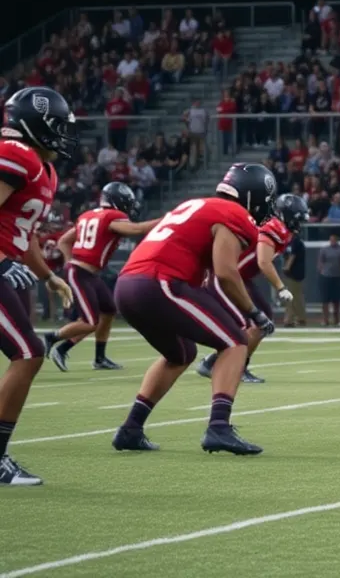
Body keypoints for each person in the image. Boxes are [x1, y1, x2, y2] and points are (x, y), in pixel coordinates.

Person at [111, 162, 277, 455]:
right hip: (157, 282)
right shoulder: (235, 213)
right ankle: (219, 427)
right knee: (235, 341)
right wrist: (254, 312)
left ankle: (131, 428)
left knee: (180, 354)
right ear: (252, 194)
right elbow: (226, 272)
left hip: (126, 285)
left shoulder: (195, 204)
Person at [0, 87, 77, 485]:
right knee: (29, 351)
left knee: (28, 352)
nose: (63, 135)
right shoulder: (16, 154)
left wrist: (49, 276)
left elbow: (23, 232)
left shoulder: (40, 167)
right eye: (57, 127)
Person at [43, 182, 158, 372]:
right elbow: (138, 230)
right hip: (81, 273)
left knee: (108, 310)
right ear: (116, 201)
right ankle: (52, 338)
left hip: (88, 273)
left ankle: (97, 357)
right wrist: (169, 218)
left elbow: (64, 241)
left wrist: (68, 262)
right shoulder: (113, 216)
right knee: (89, 322)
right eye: (126, 203)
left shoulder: (88, 215)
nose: (128, 207)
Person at [198, 192, 309, 383]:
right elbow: (263, 262)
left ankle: (215, 363)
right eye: (297, 219)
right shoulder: (275, 227)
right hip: (228, 278)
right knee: (256, 323)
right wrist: (280, 287)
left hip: (239, 278)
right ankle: (230, 368)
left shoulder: (282, 229)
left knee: (261, 322)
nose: (299, 224)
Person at [281, 221, 307, 327]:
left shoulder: (295, 242)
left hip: (295, 273)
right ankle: (298, 318)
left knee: (292, 297)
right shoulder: (290, 242)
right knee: (295, 297)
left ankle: (292, 319)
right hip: (291, 274)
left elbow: (292, 255)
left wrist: (287, 267)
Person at [316, 233, 340, 326]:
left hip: (338, 277)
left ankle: (336, 319)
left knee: (336, 300)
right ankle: (325, 319)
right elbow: (320, 261)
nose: (332, 241)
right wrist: (321, 271)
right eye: (331, 239)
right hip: (326, 276)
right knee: (325, 300)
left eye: (334, 239)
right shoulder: (324, 250)